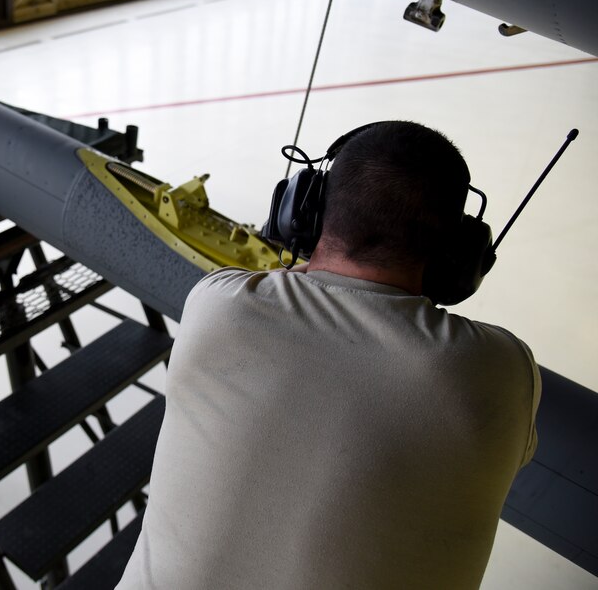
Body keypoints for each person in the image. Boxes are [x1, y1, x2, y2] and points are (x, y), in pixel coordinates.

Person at [116, 121, 540, 589]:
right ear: (461, 255)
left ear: (303, 211)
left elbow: (301, 278)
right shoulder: (503, 370)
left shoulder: (217, 304)